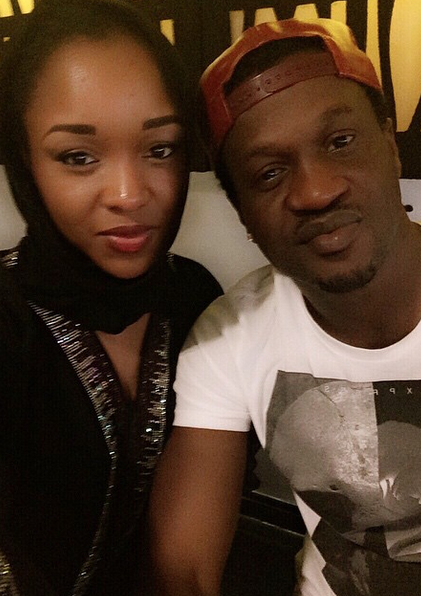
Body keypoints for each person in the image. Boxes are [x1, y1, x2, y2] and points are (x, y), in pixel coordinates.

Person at [150, 16, 421, 596]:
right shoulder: (230, 337)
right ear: (243, 216)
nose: (316, 191)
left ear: (390, 145)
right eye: (269, 174)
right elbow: (185, 569)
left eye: (340, 142)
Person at [0, 0, 222, 594]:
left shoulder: (196, 298)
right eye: (78, 157)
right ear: (24, 160)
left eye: (160, 148)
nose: (128, 194)